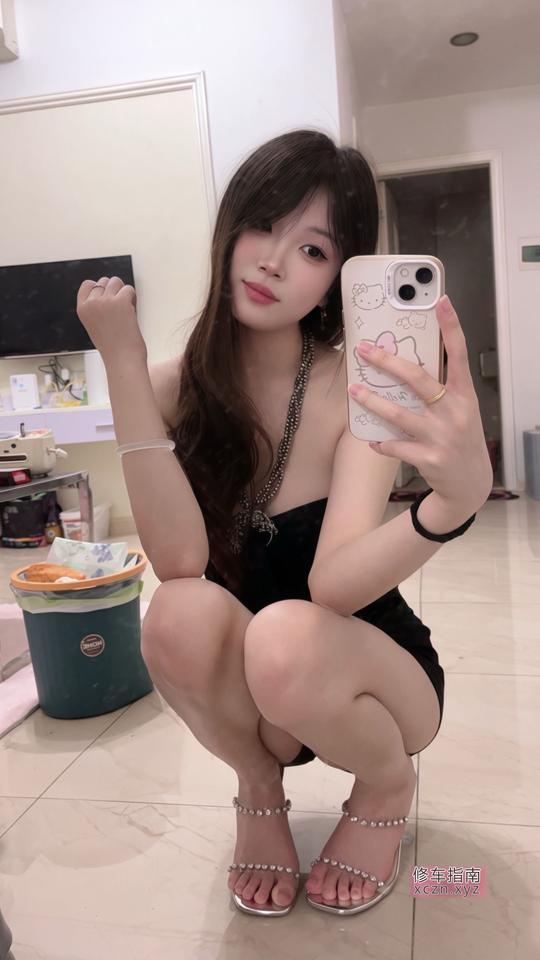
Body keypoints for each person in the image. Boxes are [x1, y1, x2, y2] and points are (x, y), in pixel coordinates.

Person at [76, 129, 493, 919]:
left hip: (372, 680)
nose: (272, 261)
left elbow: (333, 587)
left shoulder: (355, 391)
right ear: (230, 229)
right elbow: (180, 560)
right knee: (177, 613)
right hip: (256, 697)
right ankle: (258, 789)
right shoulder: (171, 388)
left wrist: (450, 506)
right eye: (262, 225)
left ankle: (385, 787)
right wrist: (124, 366)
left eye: (311, 250)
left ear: (337, 277)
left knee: (286, 635)